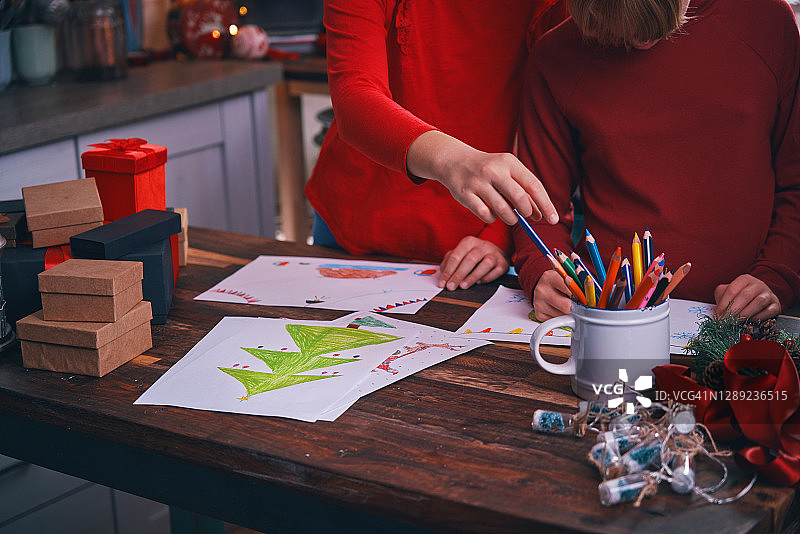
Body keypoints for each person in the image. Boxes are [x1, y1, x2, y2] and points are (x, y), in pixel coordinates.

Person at [514, 0, 800, 321]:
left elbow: (796, 184)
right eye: (617, 35)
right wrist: (545, 272)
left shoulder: (766, 22)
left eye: (655, 27)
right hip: (605, 314)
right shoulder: (555, 56)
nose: (640, 44)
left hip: (739, 322)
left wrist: (776, 275)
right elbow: (537, 212)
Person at [304, 0, 565, 291]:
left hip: (481, 243)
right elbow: (354, 100)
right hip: (355, 222)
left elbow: (555, 124)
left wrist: (502, 232)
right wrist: (455, 161)